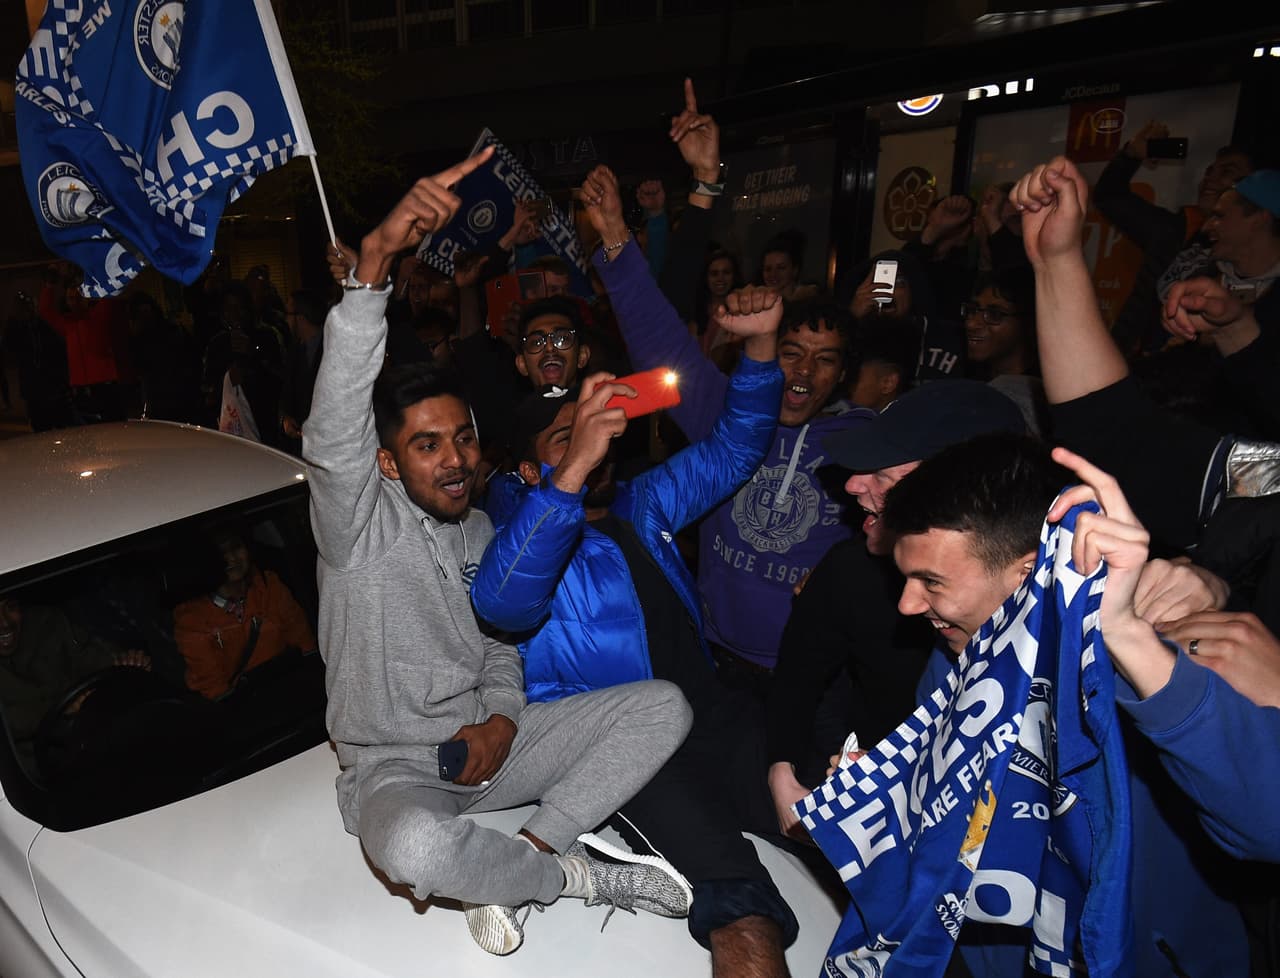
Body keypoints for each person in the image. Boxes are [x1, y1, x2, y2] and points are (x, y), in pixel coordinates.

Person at [304, 151, 694, 957]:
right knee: (412, 850)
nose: (453, 458)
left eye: (463, 437)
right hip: (396, 773)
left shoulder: (482, 529)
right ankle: (570, 877)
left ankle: (534, 850)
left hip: (489, 749)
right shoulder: (355, 524)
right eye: (425, 445)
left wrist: (502, 722)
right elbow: (331, 429)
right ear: (386, 463)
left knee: (665, 708)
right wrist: (372, 272)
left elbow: (500, 649)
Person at [473, 286, 798, 978]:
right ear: (533, 467)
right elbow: (503, 601)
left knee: (840, 824)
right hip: (631, 747)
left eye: (600, 433)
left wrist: (762, 345)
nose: (596, 446)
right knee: (744, 902)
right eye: (568, 439)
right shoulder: (513, 518)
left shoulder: (640, 503)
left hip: (715, 715)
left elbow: (736, 450)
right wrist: (564, 478)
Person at [873, 433, 1258, 977]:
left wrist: (1142, 630)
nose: (907, 604)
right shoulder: (953, 663)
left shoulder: (1150, 663)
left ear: (1027, 574)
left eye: (929, 582)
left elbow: (1263, 823)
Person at [581, 162, 873, 688]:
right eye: (790, 352)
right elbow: (660, 342)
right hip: (713, 656)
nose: (803, 370)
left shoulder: (866, 443)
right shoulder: (722, 411)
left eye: (824, 359)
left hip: (811, 671)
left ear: (845, 374)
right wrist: (616, 238)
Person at [765, 380, 1026, 829]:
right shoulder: (851, 570)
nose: (851, 484)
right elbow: (797, 684)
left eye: (882, 474)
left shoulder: (1058, 623)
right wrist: (783, 773)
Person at [1094, 121, 1253, 353]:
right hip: (1128, 361)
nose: (1210, 179)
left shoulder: (1259, 253)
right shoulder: (1177, 228)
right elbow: (1109, 197)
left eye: (1227, 173)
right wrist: (1131, 155)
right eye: (1209, 172)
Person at [0, 594, 151, 771]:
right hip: (31, 777)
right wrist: (62, 709)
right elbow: (10, 724)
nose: (5, 622)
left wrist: (124, 664)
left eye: (11, 607)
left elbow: (89, 655)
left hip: (94, 744)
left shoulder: (47, 623)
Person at [172, 527, 317, 700]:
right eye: (221, 552)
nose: (231, 558)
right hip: (242, 710)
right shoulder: (192, 619)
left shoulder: (269, 586)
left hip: (290, 691)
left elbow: (305, 644)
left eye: (236, 547)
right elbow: (215, 690)